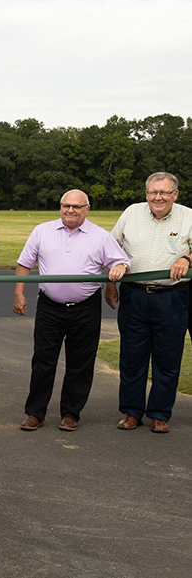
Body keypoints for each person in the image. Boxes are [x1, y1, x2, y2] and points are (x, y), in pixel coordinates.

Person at [13, 189, 129, 432]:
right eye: (66, 205)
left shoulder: (100, 235)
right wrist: (19, 293)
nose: (70, 210)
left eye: (76, 206)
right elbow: (25, 263)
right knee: (43, 361)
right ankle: (35, 413)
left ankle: (70, 414)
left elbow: (119, 261)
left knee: (81, 363)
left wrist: (116, 272)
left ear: (87, 208)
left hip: (85, 308)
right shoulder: (42, 230)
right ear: (60, 207)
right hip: (49, 307)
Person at [105, 172, 192, 434]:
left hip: (173, 297)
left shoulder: (188, 215)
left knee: (168, 358)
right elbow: (112, 248)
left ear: (175, 194)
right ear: (146, 193)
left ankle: (159, 413)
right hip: (135, 294)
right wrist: (110, 284)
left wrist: (187, 258)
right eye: (153, 192)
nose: (158, 197)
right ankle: (131, 412)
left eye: (164, 192)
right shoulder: (131, 212)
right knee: (132, 356)